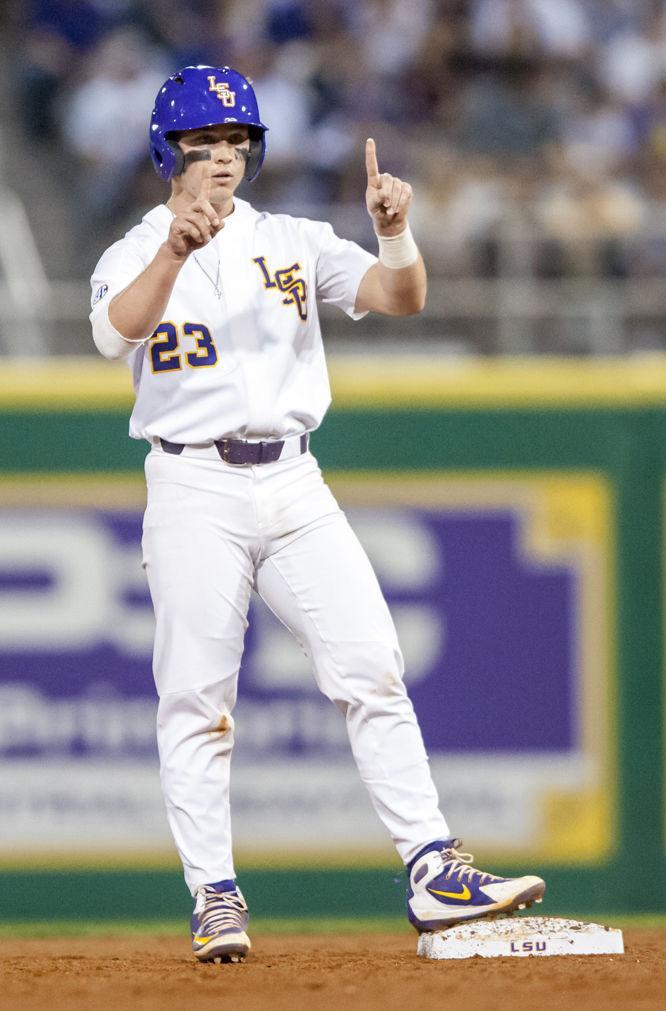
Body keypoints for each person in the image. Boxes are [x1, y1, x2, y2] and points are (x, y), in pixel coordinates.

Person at [90, 64, 545, 964]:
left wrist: (397, 232)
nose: (223, 159)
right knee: (196, 697)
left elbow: (398, 296)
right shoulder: (135, 251)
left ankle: (431, 866)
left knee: (372, 663)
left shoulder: (292, 237)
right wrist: (174, 252)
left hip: (294, 480)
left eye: (236, 144)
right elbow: (115, 334)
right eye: (203, 145)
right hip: (193, 486)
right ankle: (214, 894)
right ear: (167, 152)